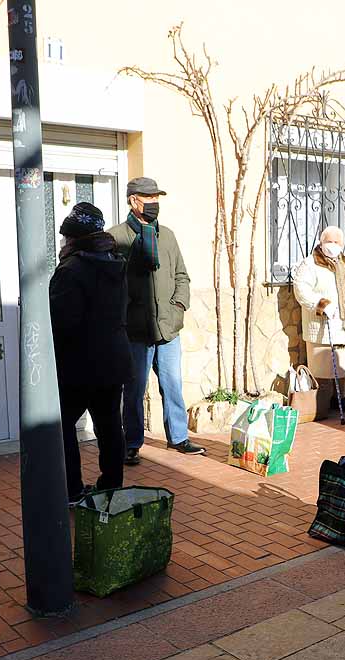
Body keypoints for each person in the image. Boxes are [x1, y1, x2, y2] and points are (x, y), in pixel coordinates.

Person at [109, 176, 205, 464]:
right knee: (135, 389)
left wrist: (178, 307)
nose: (154, 204)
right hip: (135, 330)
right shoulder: (117, 238)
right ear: (133, 201)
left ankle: (178, 437)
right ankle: (132, 443)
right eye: (148, 198)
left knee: (173, 383)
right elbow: (110, 284)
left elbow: (182, 276)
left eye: (156, 199)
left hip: (167, 327)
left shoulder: (168, 236)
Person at [50, 203, 131, 504]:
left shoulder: (71, 269)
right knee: (110, 426)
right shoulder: (115, 261)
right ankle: (111, 487)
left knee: (62, 425)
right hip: (113, 361)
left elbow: (62, 322)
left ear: (72, 238)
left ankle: (72, 489)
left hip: (80, 365)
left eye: (65, 237)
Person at [292, 226, 345, 412]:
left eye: (336, 242)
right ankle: (320, 401)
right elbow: (301, 289)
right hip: (322, 324)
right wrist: (321, 304)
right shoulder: (310, 264)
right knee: (321, 366)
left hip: (344, 324)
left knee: (342, 366)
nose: (333, 246)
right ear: (321, 242)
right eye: (329, 241)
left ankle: (340, 397)